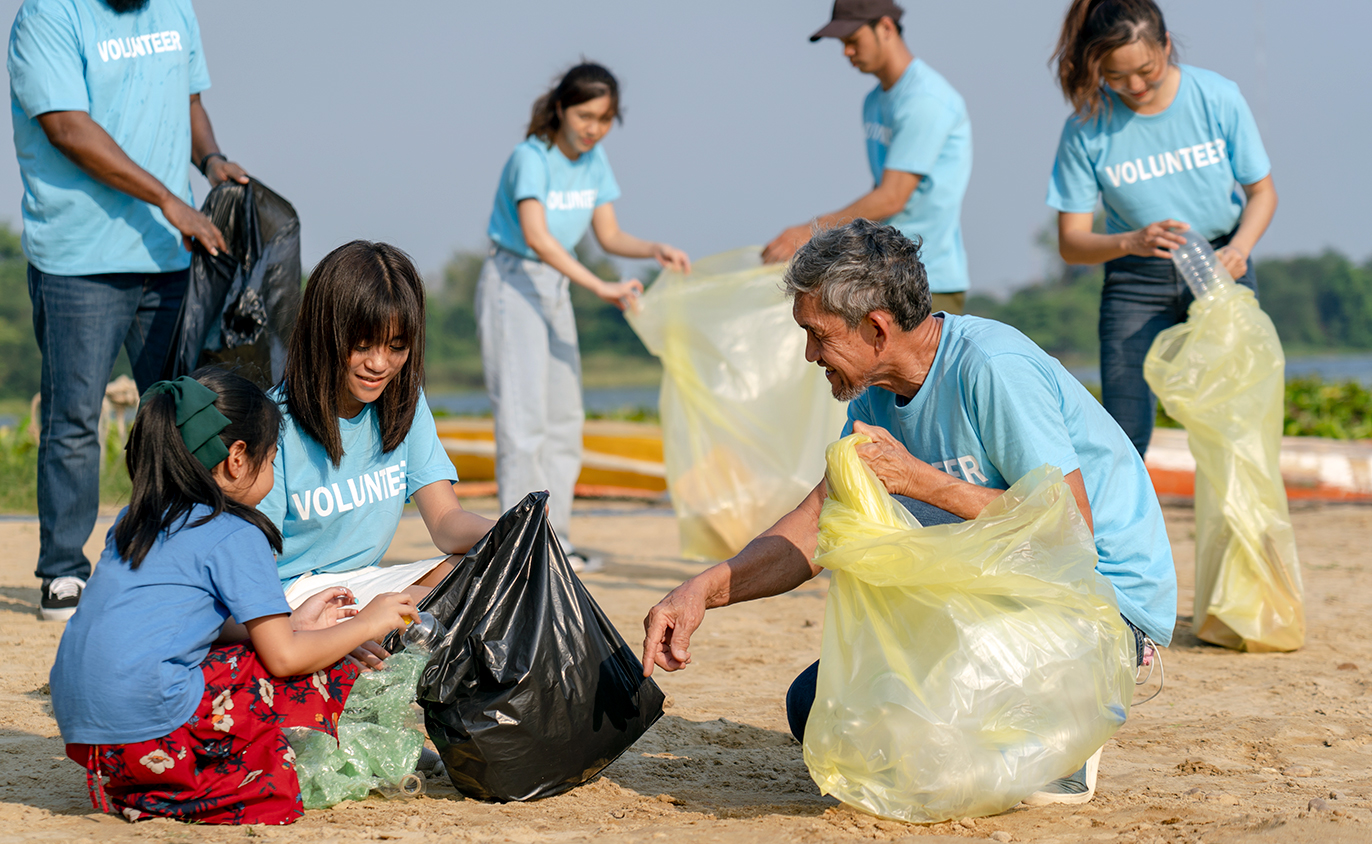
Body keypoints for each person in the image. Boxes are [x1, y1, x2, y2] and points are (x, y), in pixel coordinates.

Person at [643, 221, 1176, 806]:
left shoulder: (991, 366)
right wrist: (704, 589)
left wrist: (922, 481)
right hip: (992, 600)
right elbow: (818, 520)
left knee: (937, 732)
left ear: (876, 328)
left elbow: (1066, 527)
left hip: (1101, 606)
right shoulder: (871, 389)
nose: (809, 355)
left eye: (817, 335)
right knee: (814, 707)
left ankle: (1066, 736)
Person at [50, 368, 420, 824]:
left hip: (90, 740)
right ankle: (174, 793)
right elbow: (284, 659)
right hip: (148, 732)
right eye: (272, 459)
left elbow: (182, 623)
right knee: (322, 672)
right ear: (237, 458)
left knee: (265, 655)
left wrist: (293, 623)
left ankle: (148, 784)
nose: (272, 470)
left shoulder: (136, 519)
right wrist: (366, 621)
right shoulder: (233, 531)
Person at [8, 0, 250, 620]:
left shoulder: (173, 9)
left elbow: (188, 100)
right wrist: (170, 199)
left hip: (168, 258)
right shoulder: (51, 16)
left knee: (183, 413)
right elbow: (66, 127)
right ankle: (63, 571)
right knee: (73, 419)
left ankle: (179, 556)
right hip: (78, 257)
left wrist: (212, 160)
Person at [479, 61, 691, 571]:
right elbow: (536, 236)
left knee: (565, 419)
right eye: (586, 115)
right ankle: (520, 549)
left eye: (605, 118)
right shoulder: (530, 158)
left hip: (557, 287)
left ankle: (557, 541)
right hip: (515, 282)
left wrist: (651, 248)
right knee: (522, 423)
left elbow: (609, 235)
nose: (594, 127)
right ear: (560, 108)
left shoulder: (595, 161)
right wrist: (599, 285)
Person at [1046, 0, 1277, 456]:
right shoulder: (1085, 130)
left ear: (1167, 45)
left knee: (1236, 420)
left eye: (1146, 71)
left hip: (1219, 269)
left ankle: (1245, 528)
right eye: (1116, 76)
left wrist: (1240, 249)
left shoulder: (1218, 96)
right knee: (1123, 430)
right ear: (1097, 67)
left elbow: (1263, 193)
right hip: (1135, 282)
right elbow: (1071, 244)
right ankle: (1120, 527)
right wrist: (1131, 240)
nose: (1135, 86)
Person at [258, 241, 494, 641]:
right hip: (292, 594)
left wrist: (511, 533)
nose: (379, 364)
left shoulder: (404, 402)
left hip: (366, 582)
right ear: (324, 334)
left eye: (396, 346)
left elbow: (445, 522)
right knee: (430, 605)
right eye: (362, 345)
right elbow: (253, 565)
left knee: (490, 573)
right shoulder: (272, 423)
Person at [762, 0, 973, 315]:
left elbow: (890, 199)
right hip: (883, 272)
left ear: (886, 27)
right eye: (842, 44)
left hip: (928, 279)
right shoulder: (874, 102)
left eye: (852, 40)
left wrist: (812, 231)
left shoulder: (926, 100)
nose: (846, 52)